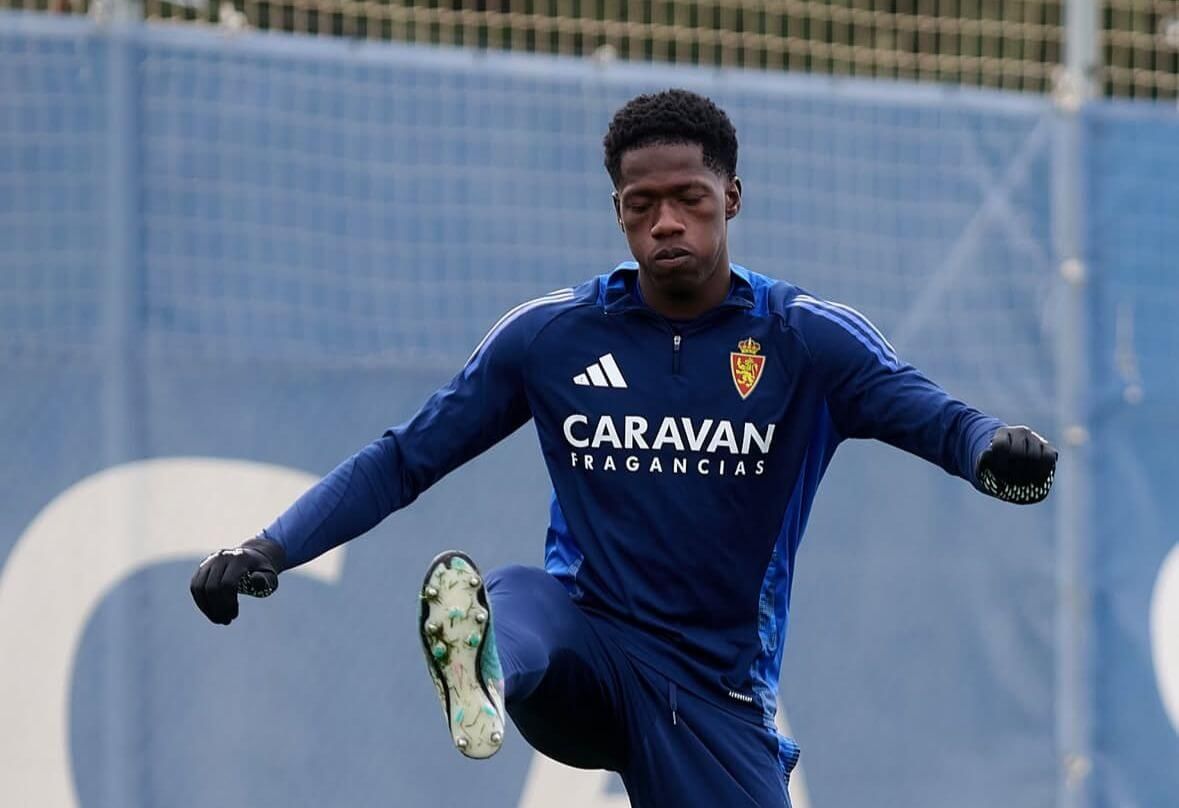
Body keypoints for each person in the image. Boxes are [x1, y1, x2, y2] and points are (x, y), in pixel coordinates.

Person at [190, 89, 1058, 807]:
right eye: (642, 206)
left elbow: (935, 417)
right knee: (508, 595)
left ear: (731, 198)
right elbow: (403, 458)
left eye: (689, 199)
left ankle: (497, 663)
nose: (666, 222)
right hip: (585, 652)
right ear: (617, 213)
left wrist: (994, 454)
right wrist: (269, 548)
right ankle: (483, 671)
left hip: (711, 692)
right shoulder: (551, 337)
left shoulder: (803, 339)